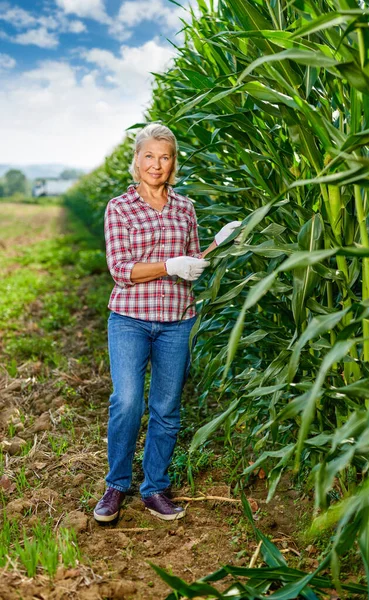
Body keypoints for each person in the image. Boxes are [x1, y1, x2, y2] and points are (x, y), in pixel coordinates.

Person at [94, 123, 241, 523]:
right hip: (130, 319)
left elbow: (190, 260)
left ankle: (154, 488)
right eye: (149, 156)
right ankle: (116, 485)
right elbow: (120, 270)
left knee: (166, 408)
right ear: (137, 160)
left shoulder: (186, 208)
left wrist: (208, 252)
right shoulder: (119, 208)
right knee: (127, 401)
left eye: (165, 157)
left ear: (172, 163)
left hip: (177, 320)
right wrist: (169, 265)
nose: (156, 165)